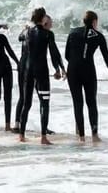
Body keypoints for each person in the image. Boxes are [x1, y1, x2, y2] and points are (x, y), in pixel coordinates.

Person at [65, 10, 108, 142]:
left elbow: (66, 55)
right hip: (88, 70)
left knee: (78, 103)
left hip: (73, 70)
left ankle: (81, 136)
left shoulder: (73, 32)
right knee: (91, 103)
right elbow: (106, 57)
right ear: (94, 22)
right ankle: (94, 134)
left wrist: (74, 63)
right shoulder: (99, 36)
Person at [18, 9, 66, 145]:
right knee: (44, 103)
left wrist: (24, 29)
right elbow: (54, 52)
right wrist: (60, 68)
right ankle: (43, 137)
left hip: (28, 70)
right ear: (43, 18)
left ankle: (21, 135)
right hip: (41, 72)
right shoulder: (47, 34)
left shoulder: (27, 32)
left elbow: (19, 38)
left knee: (26, 103)